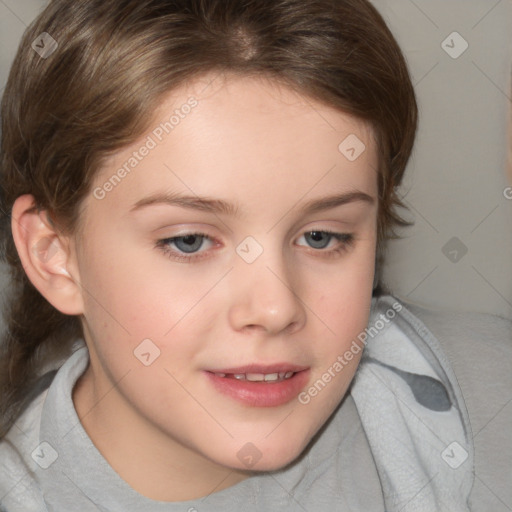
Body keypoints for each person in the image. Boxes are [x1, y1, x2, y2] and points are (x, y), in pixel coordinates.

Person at [0, 0, 510, 510]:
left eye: (321, 237)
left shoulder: (491, 399)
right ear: (54, 257)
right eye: (190, 241)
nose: (275, 308)